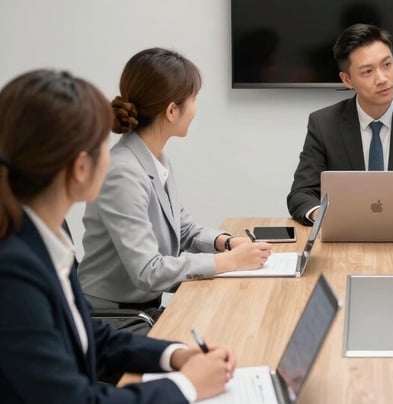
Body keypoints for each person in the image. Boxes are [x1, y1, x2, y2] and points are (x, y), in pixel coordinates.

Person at [0, 69, 235, 402]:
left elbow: (87, 335)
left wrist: (175, 354)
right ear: (81, 168)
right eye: (102, 147)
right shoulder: (13, 272)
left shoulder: (41, 242)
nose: (113, 155)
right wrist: (187, 385)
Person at [78, 48, 272, 319]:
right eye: (193, 99)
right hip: (113, 319)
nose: (194, 109)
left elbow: (184, 230)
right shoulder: (122, 173)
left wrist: (227, 243)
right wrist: (226, 262)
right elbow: (149, 271)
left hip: (142, 309)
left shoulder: (154, 159)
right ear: (171, 110)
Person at [287, 24, 393, 226]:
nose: (382, 79)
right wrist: (322, 215)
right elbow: (301, 194)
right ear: (347, 80)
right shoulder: (323, 124)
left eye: (387, 65)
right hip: (347, 234)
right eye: (367, 71)